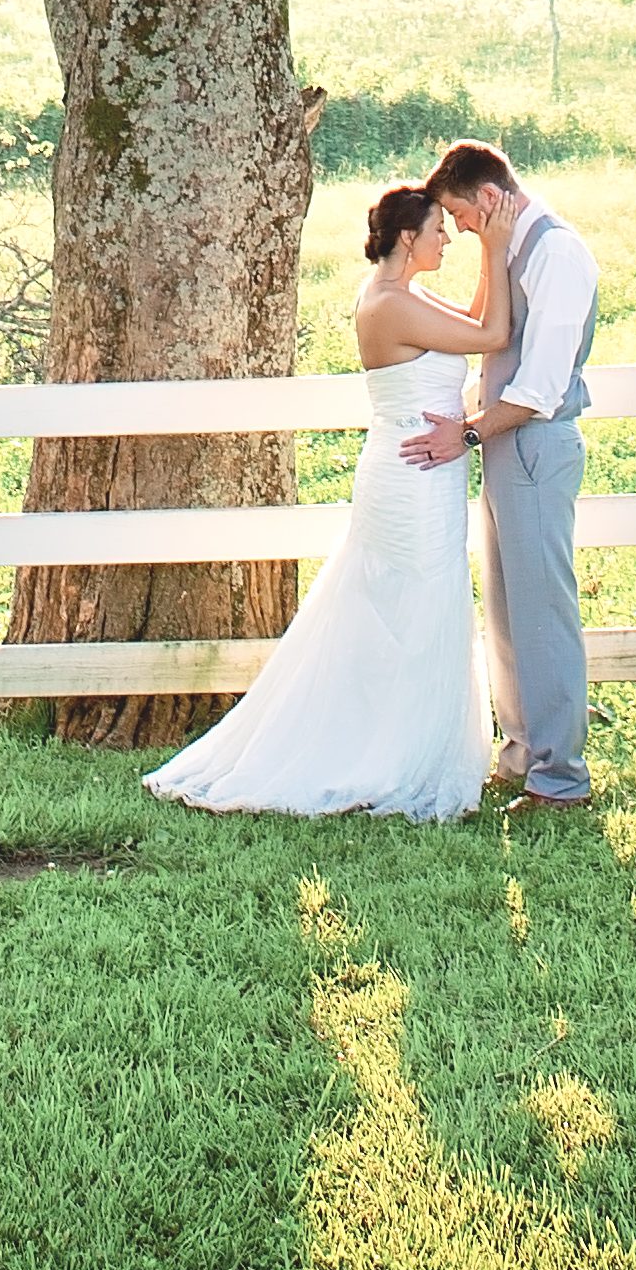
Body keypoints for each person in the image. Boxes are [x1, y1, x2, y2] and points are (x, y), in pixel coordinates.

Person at [142, 180, 507, 821]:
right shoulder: (390, 305)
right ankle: (395, 760)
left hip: (426, 471)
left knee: (414, 608)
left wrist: (488, 255)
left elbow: (476, 324)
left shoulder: (406, 296)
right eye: (437, 230)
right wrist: (498, 246)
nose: (447, 238)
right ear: (406, 238)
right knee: (414, 608)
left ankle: (401, 746)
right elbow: (496, 334)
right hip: (410, 478)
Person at [399, 139, 599, 808]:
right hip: (511, 450)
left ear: (489, 198)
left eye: (460, 215)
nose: (456, 229)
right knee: (511, 611)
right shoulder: (513, 250)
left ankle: (561, 777)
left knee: (543, 611)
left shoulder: (557, 255)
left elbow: (539, 386)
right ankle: (522, 754)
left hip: (535, 445)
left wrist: (470, 432)